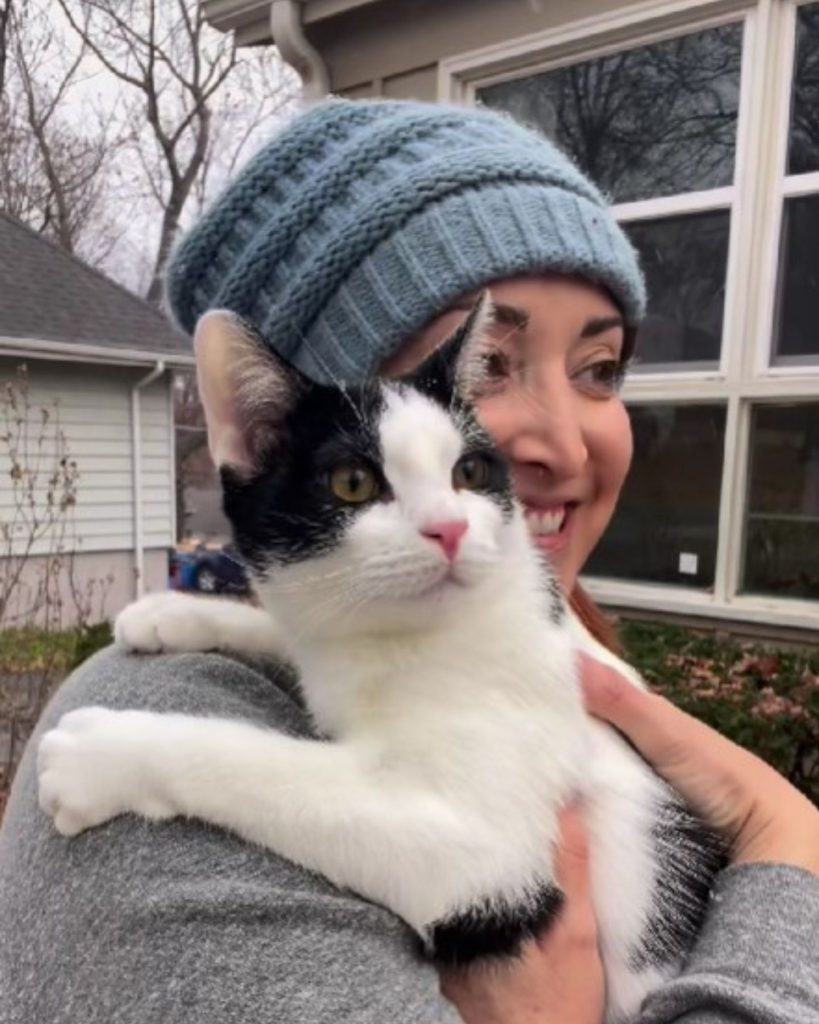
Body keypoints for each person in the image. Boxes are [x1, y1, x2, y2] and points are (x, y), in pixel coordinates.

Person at [0, 99, 816, 1024]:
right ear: (269, 435)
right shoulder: (160, 703)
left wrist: (782, 842)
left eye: (598, 369)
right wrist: (786, 846)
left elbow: (446, 829)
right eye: (494, 364)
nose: (565, 441)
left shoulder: (525, 645)